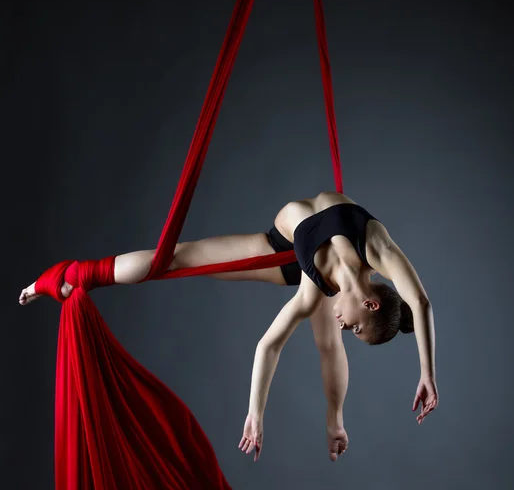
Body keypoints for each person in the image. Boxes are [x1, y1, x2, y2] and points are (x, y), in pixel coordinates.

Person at [19, 190, 437, 463]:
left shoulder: (319, 291)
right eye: (359, 328)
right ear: (370, 301)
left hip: (296, 252)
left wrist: (255, 414)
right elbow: (418, 301)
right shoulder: (376, 247)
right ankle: (74, 274)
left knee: (326, 338)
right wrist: (427, 375)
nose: (348, 328)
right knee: (178, 257)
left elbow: (268, 345)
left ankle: (335, 420)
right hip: (289, 247)